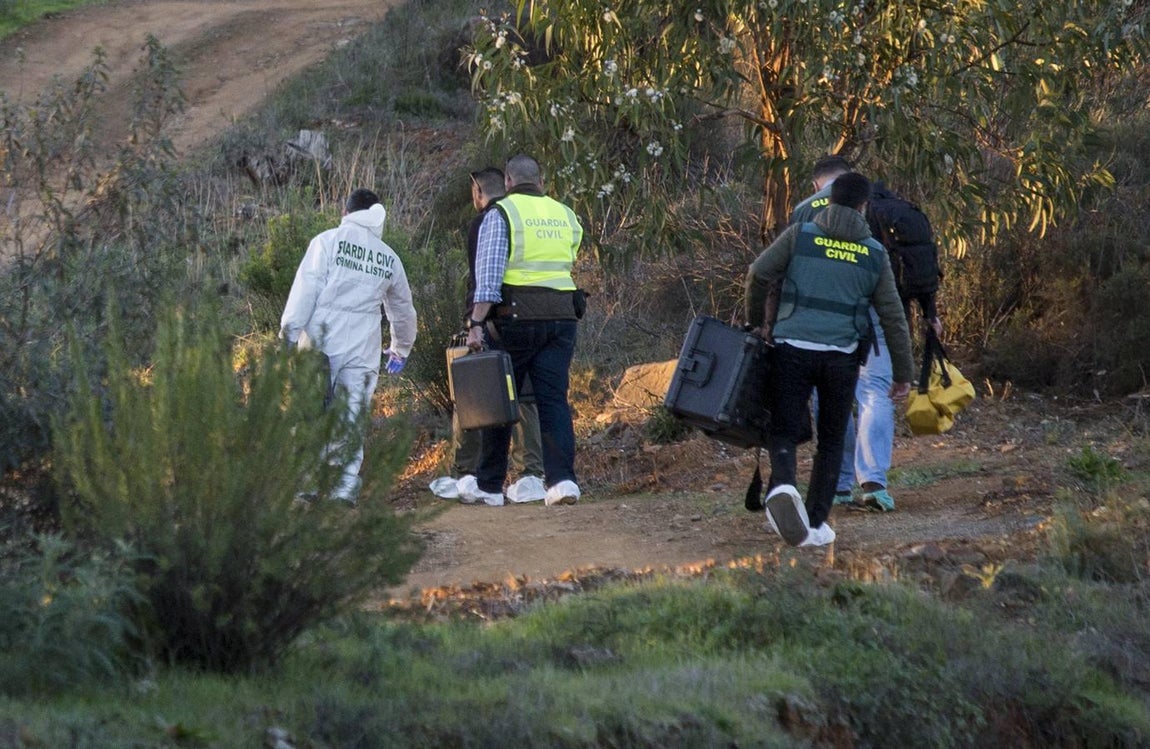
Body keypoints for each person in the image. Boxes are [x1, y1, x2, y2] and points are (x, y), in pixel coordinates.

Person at [745, 172, 914, 547]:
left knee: (784, 429)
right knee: (832, 439)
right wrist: (903, 373)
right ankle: (817, 523)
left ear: (828, 199)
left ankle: (785, 486)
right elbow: (892, 317)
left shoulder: (799, 236)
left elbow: (757, 274)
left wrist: (757, 324)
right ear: (863, 206)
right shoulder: (873, 253)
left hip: (791, 349)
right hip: (841, 359)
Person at [459, 154, 584, 507]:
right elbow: (570, 255)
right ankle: (562, 482)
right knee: (553, 400)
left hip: (514, 318)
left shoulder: (502, 214)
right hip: (562, 318)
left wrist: (477, 322)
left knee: (499, 399)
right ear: (541, 180)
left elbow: (488, 277)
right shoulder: (565, 214)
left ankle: (489, 485)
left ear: (509, 182)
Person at [280, 188, 417, 504]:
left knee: (311, 410)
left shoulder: (326, 242)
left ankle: (309, 484)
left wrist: (288, 335)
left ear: (346, 213)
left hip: (321, 337)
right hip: (363, 340)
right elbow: (402, 309)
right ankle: (343, 488)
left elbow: (306, 290)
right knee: (352, 411)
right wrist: (401, 348)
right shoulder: (388, 257)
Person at [442, 167, 546, 504]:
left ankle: (468, 473)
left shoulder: (488, 220)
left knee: (475, 394)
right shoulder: (529, 216)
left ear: (477, 191)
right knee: (525, 396)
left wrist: (474, 322)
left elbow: (483, 278)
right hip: (536, 315)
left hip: (493, 319)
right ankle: (531, 471)